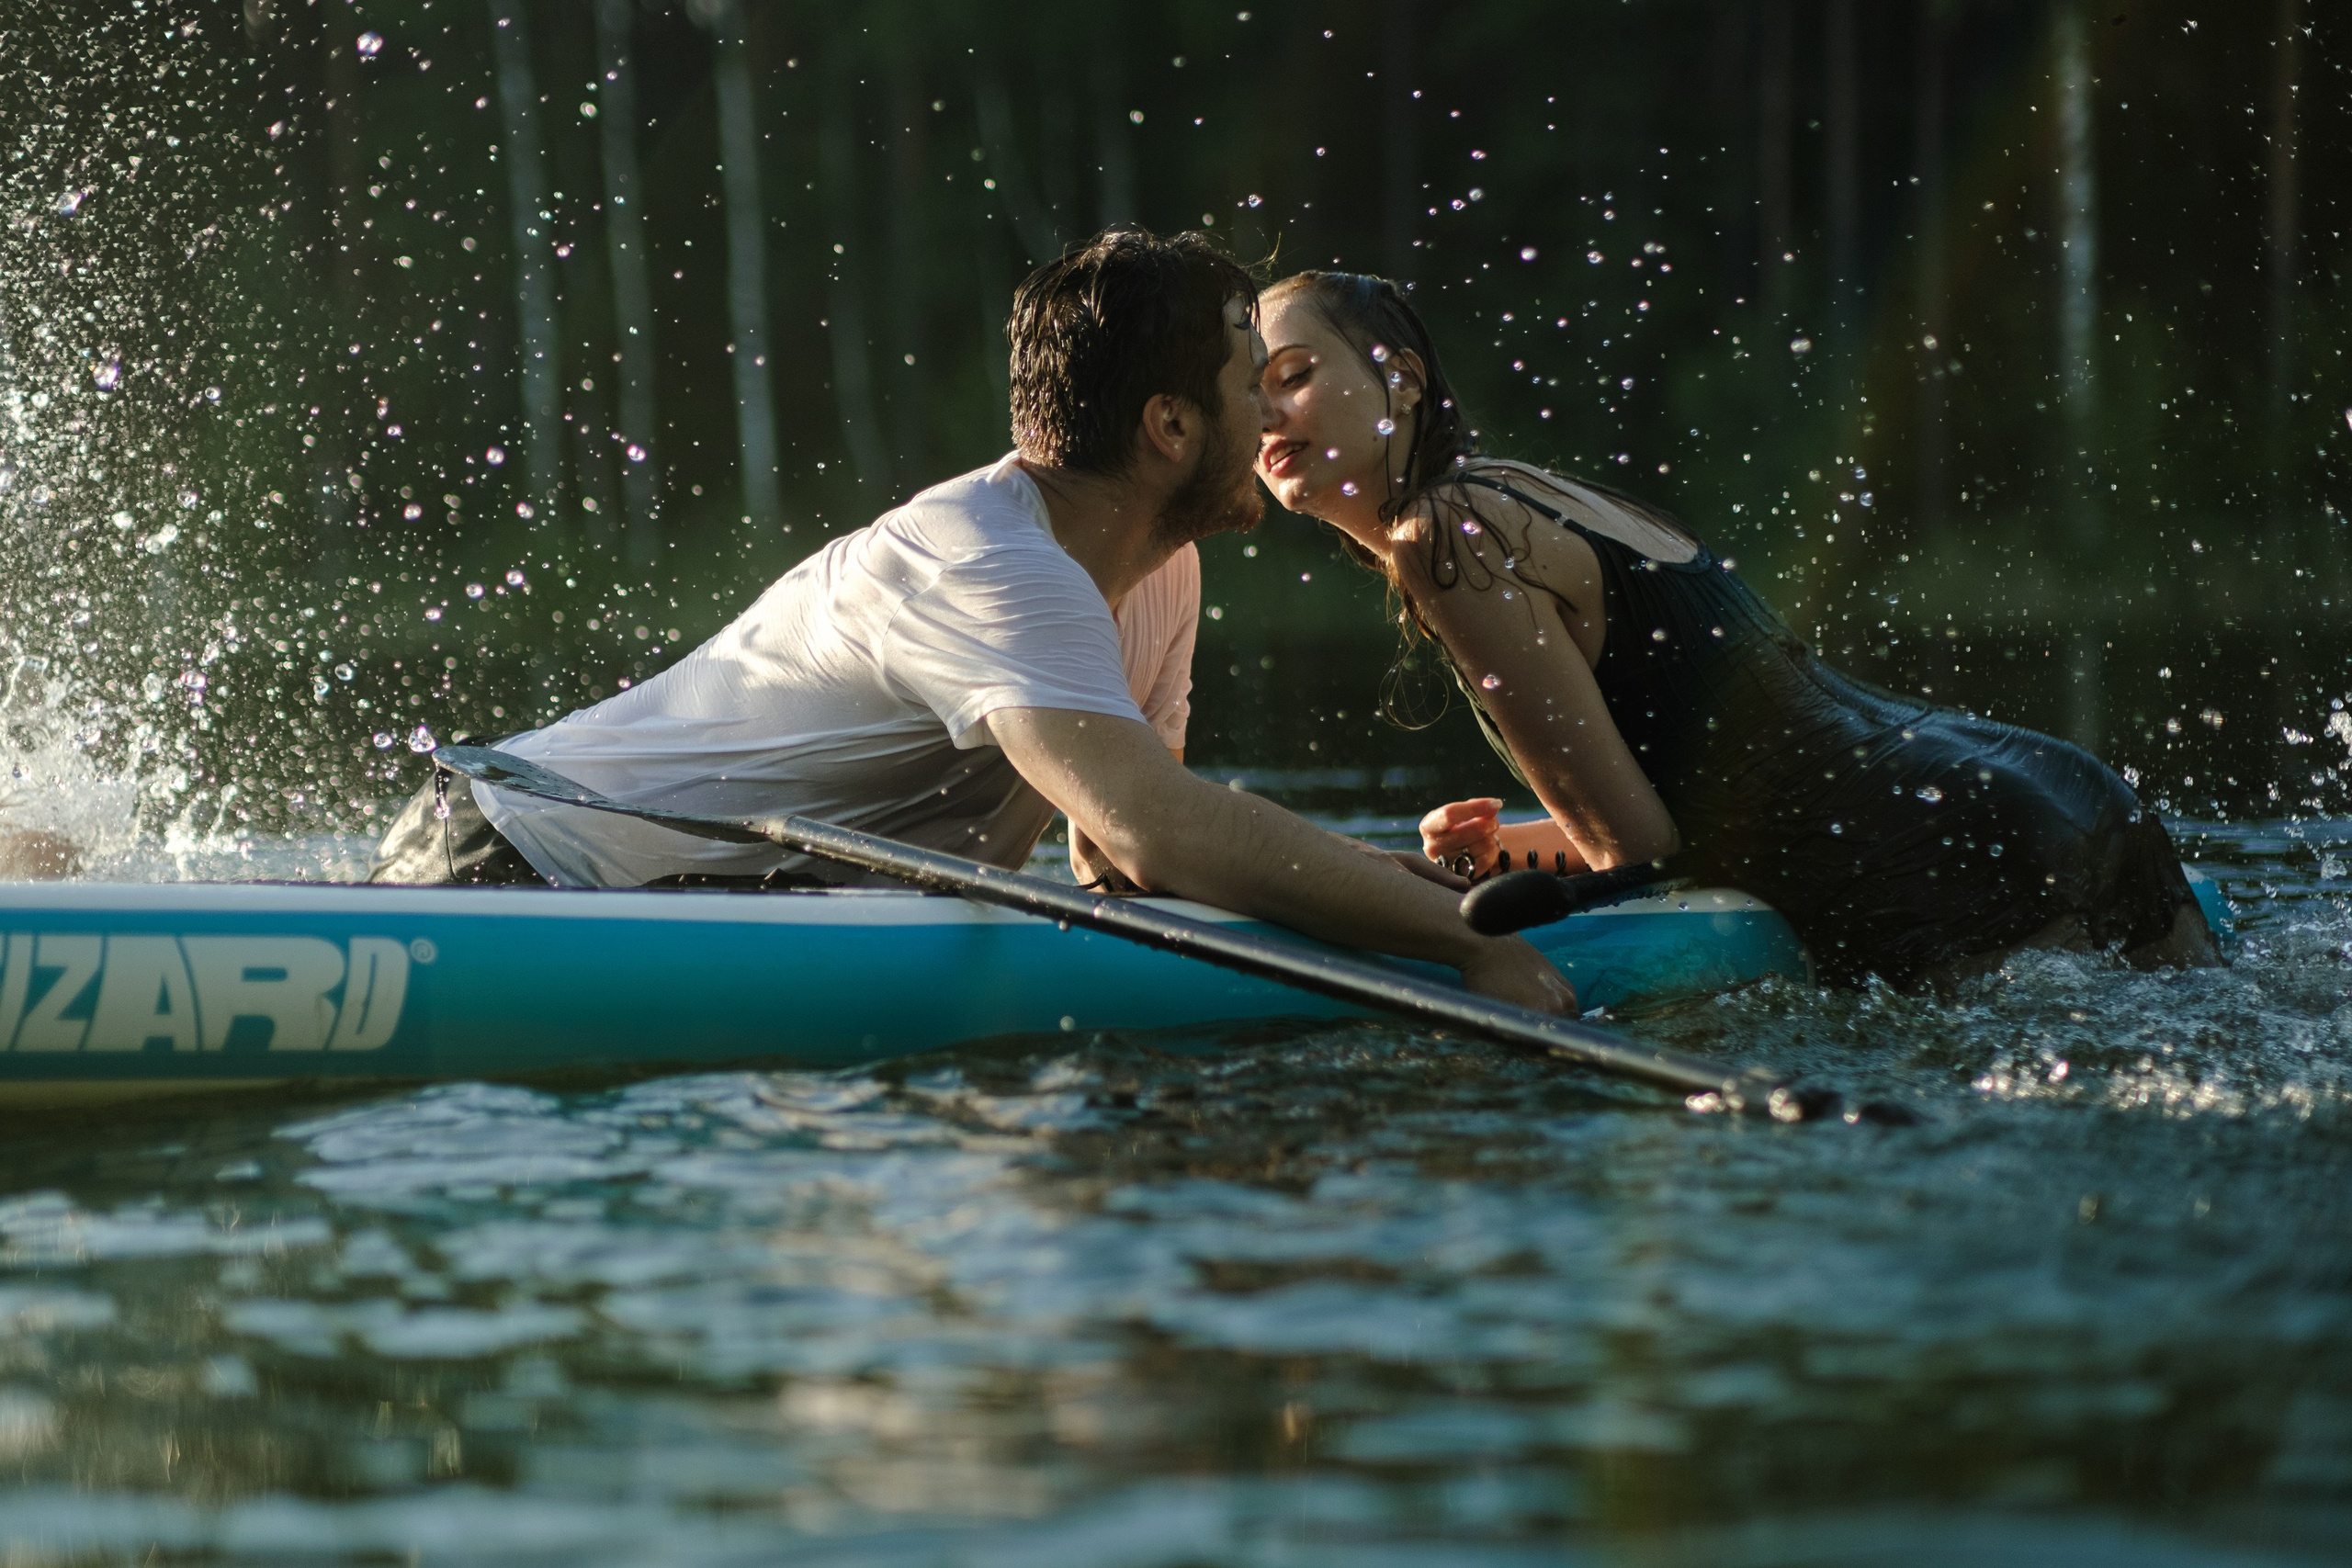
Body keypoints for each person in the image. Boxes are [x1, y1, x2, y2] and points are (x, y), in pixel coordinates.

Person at [371, 230, 1573, 1014]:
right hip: (511, 870)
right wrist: (1463, 948)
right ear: (1167, 427)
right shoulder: (988, 563)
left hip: (691, 902)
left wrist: (1406, 887)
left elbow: (1119, 862)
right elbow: (1156, 833)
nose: (1271, 405)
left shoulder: (1159, 571)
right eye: (1245, 375)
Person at [1251, 269, 2217, 988]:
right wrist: (1514, 851)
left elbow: (1637, 852)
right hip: (2042, 789)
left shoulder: (1445, 536)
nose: (1266, 412)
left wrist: (1383, 888)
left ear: (1404, 381)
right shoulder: (1521, 493)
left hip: (1933, 853)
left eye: (1292, 374)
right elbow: (1710, 784)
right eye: (1248, 391)